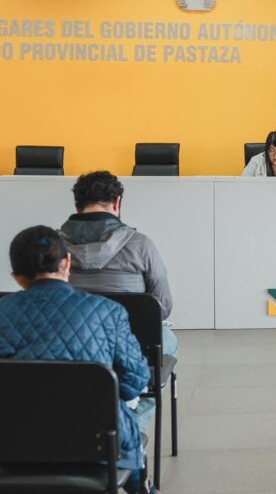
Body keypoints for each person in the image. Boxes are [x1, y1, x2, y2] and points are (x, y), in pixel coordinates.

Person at [0, 226, 155, 493]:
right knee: (124, 418)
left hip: (11, 445)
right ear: (68, 262)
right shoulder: (109, 311)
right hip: (96, 445)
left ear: (17, 278)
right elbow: (136, 380)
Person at [59, 170, 177, 361]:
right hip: (129, 344)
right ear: (117, 202)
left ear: (77, 206)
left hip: (67, 344)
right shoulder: (141, 244)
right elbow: (162, 306)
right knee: (168, 339)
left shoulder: (50, 246)